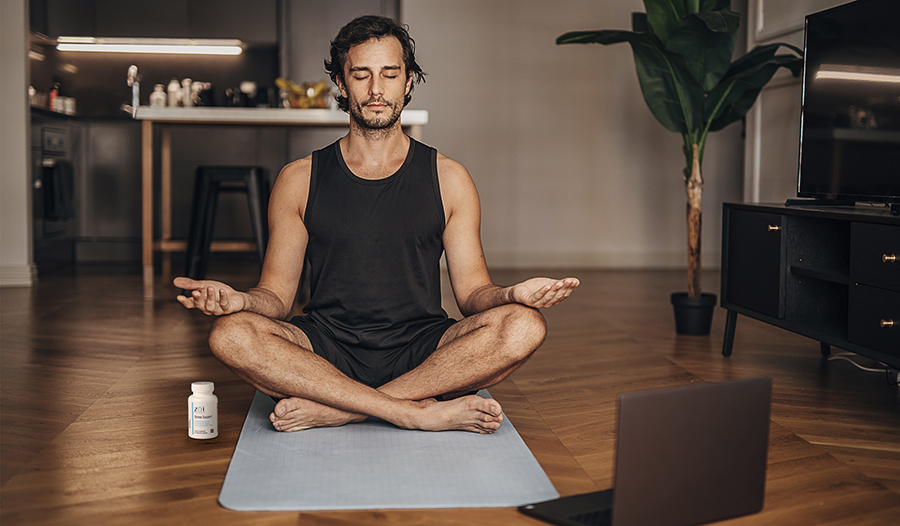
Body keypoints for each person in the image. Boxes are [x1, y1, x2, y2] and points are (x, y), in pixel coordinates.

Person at [174, 15, 579, 434]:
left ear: (407, 81)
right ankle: (411, 410)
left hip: (423, 350)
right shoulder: (298, 179)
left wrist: (513, 293)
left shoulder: (450, 178)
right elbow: (276, 297)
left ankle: (343, 407)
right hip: (324, 348)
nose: (376, 90)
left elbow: (473, 294)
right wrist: (240, 302)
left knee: (523, 325)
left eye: (390, 74)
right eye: (361, 75)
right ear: (341, 83)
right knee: (230, 334)